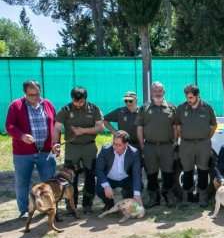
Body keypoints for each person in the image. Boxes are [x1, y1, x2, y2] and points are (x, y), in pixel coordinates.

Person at [5, 80, 58, 219]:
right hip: (23, 153)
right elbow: (9, 126)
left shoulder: (48, 104)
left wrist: (56, 143)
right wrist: (21, 136)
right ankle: (24, 210)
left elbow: (55, 125)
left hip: (46, 151)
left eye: (37, 94)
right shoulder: (15, 105)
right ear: (25, 93)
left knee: (49, 182)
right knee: (22, 182)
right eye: (31, 95)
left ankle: (49, 207)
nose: (35, 97)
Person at [53, 86, 104, 214]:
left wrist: (83, 131)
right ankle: (71, 206)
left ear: (86, 99)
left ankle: (87, 205)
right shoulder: (66, 109)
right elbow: (57, 128)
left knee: (90, 177)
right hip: (72, 147)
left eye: (81, 102)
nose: (78, 104)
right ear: (72, 99)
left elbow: (100, 127)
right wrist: (56, 143)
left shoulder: (94, 108)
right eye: (76, 101)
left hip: (89, 147)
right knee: (69, 178)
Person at [175, 84, 217, 208]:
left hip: (203, 143)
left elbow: (213, 126)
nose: (189, 100)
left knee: (203, 170)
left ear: (198, 96)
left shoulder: (207, 108)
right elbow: (177, 125)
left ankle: (202, 197)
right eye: (187, 97)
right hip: (186, 143)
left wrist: (207, 138)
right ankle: (186, 197)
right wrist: (182, 137)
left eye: (191, 98)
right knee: (187, 170)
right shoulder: (181, 108)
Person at [136, 82, 178, 208]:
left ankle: (168, 195)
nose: (158, 93)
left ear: (164, 92)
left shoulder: (171, 107)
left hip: (167, 146)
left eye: (160, 91)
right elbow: (139, 128)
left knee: (168, 172)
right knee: (151, 173)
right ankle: (154, 197)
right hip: (150, 146)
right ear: (151, 93)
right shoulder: (144, 108)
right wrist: (142, 145)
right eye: (155, 91)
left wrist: (175, 142)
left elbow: (176, 127)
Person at [95, 130, 143, 210]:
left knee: (139, 186)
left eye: (119, 145)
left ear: (126, 144)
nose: (115, 146)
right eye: (114, 143)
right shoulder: (105, 150)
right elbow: (99, 169)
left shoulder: (134, 153)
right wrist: (106, 185)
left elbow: (136, 174)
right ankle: (109, 204)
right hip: (109, 178)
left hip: (125, 178)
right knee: (100, 189)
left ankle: (126, 202)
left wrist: (137, 195)